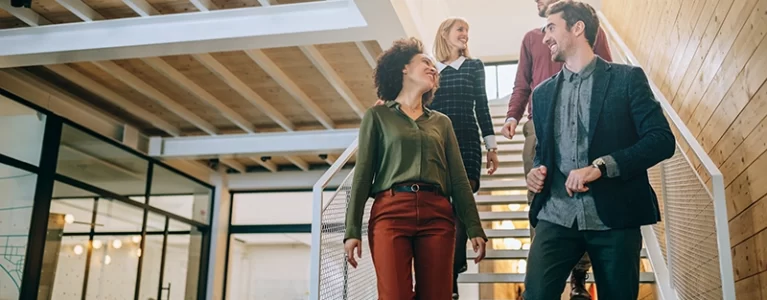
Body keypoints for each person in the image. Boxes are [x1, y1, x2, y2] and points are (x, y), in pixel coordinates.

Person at [523, 1, 675, 299]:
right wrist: (536, 171)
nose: (545, 38)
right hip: (556, 216)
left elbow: (661, 139)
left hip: (615, 217)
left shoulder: (627, 79)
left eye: (551, 28)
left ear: (577, 28)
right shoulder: (541, 95)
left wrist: (601, 166)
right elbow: (544, 152)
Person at [344, 37, 488, 300]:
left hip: (438, 215)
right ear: (404, 68)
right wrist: (351, 230)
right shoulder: (378, 116)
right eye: (426, 62)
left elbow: (458, 178)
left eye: (434, 66)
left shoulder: (441, 123)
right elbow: (363, 175)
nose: (433, 68)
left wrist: (474, 226)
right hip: (390, 213)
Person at [500, 0, 613, 298]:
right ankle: (539, 273)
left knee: (582, 197)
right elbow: (521, 82)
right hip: (538, 124)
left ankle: (578, 278)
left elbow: (608, 73)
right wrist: (513, 114)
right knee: (540, 198)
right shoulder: (532, 38)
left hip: (582, 122)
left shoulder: (586, 28)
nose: (535, 1)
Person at [430, 17, 498, 299]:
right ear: (445, 34)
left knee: (458, 209)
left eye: (467, 31)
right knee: (441, 211)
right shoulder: (431, 69)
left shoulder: (474, 66)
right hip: (437, 144)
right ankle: (446, 280)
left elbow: (482, 105)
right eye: (460, 30)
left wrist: (491, 146)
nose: (465, 35)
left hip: (468, 143)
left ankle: (452, 279)